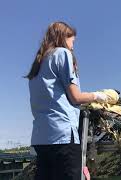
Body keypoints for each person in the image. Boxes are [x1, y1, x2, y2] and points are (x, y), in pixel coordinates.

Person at [25, 21, 109, 180]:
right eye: (72, 41)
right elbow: (75, 97)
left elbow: (57, 99)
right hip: (62, 136)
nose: (73, 47)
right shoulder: (62, 54)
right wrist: (98, 95)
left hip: (41, 138)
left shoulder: (38, 65)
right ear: (63, 38)